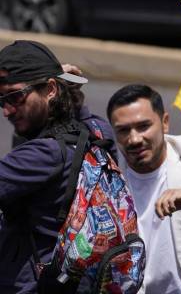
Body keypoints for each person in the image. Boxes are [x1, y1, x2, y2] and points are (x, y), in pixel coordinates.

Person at [0, 40, 110, 293]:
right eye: (1, 100)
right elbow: (85, 117)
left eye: (16, 96)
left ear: (50, 89)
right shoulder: (97, 132)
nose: (7, 111)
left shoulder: (40, 156)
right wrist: (65, 89)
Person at [106, 84, 181, 293]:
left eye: (143, 126)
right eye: (124, 130)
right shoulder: (109, 182)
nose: (134, 139)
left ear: (164, 123)